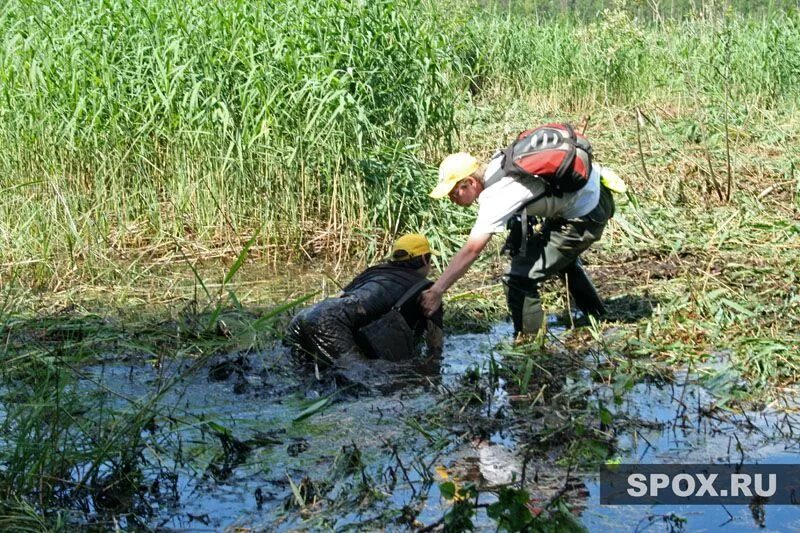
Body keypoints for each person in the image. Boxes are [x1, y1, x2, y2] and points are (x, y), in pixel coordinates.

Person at [420, 147, 618, 338]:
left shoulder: (496, 196)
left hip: (587, 211)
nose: (451, 199)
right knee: (559, 258)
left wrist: (438, 290)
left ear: (470, 182)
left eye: (454, 193)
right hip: (593, 192)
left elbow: (472, 249)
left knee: (517, 278)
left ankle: (531, 343)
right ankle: (597, 316)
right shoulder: (500, 164)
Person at [286, 234, 443, 368]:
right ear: (424, 258)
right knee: (363, 379)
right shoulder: (429, 291)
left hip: (303, 317)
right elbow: (435, 347)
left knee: (305, 372)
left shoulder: (373, 272)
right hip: (329, 320)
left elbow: (340, 297)